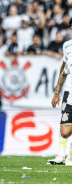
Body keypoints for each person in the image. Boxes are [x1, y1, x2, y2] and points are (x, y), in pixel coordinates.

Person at [51, 30, 72, 165]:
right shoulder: (67, 46)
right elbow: (63, 70)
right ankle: (61, 155)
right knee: (64, 131)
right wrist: (56, 93)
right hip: (69, 93)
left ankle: (69, 155)